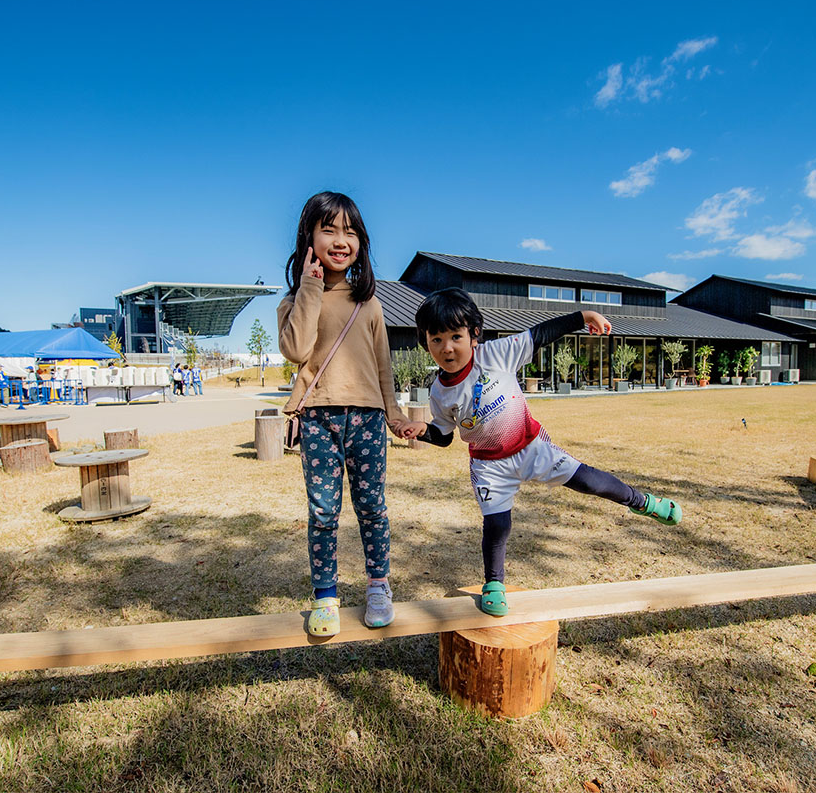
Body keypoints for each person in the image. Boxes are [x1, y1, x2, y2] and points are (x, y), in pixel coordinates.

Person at [396, 288, 683, 617]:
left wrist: (583, 317)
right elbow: (444, 436)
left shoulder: (497, 354)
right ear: (426, 342)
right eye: (436, 339)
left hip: (532, 447)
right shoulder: (439, 393)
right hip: (490, 466)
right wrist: (423, 432)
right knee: (497, 524)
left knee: (587, 481)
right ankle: (494, 584)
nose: (447, 348)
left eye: (456, 336)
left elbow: (541, 334)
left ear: (474, 334)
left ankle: (644, 502)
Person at [278, 191, 406, 637]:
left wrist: (394, 414)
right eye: (328, 229)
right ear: (309, 237)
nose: (339, 240)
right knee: (323, 512)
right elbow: (295, 349)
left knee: (372, 506)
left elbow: (384, 365)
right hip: (317, 418)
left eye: (349, 232)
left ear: (361, 243)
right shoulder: (294, 300)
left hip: (368, 419)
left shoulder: (369, 302)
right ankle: (326, 596)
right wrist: (310, 288)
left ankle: (378, 586)